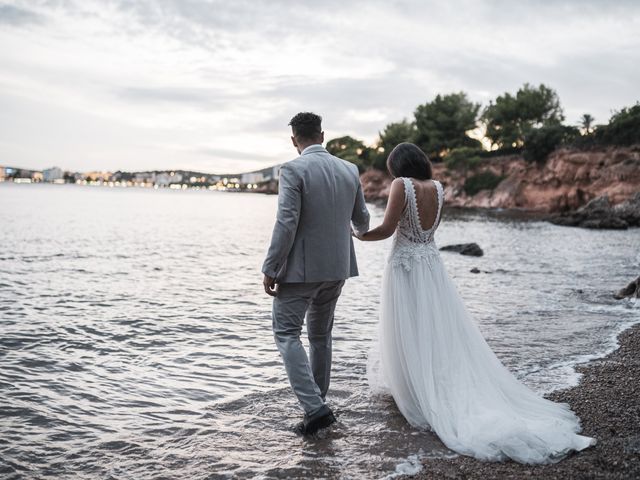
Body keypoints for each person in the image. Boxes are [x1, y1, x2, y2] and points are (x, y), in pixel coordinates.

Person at [355, 142, 595, 464]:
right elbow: (427, 231)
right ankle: (429, 382)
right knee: (436, 328)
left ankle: (416, 391)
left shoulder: (402, 185)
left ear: (398, 165)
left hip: (405, 267)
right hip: (430, 265)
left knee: (407, 326)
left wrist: (357, 234)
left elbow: (386, 230)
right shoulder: (438, 188)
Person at [262, 112, 370, 435]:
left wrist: (270, 267)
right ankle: (317, 406)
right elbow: (362, 221)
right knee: (320, 336)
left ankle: (315, 408)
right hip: (337, 269)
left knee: (285, 333)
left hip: (299, 273)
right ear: (322, 135)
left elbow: (286, 223)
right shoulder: (350, 169)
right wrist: (342, 233)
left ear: (294, 140)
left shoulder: (293, 169)